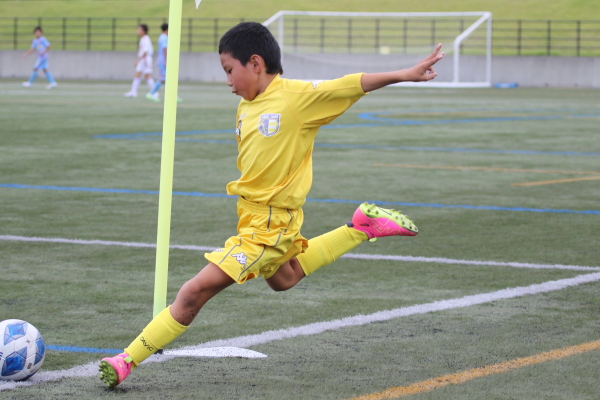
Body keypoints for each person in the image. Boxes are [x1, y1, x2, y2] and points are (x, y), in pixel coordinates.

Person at [99, 22, 443, 388]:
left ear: (255, 63)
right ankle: (360, 228)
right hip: (253, 219)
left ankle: (126, 360)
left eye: (229, 71)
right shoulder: (245, 106)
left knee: (193, 292)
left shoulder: (294, 98)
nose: (228, 81)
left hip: (269, 227)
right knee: (285, 278)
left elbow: (347, 84)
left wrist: (404, 74)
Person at [124, 24, 155, 98]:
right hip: (143, 59)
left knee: (147, 76)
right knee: (137, 74)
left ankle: (154, 92)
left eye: (139, 30)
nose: (137, 31)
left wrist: (138, 60)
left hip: (145, 60)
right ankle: (133, 92)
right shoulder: (143, 39)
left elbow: (145, 51)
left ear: (143, 31)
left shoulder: (145, 39)